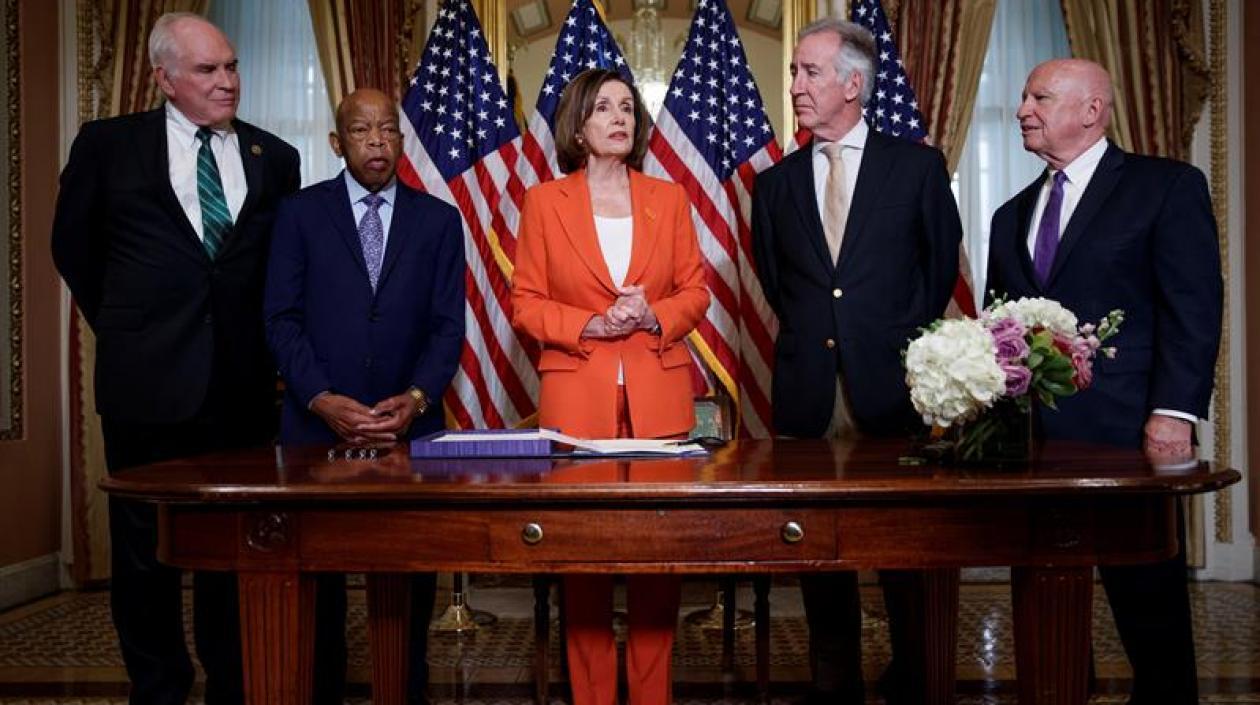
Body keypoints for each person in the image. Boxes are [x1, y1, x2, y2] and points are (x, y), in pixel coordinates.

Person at [50, 12, 299, 705]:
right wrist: (133, 330)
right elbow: (74, 249)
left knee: (231, 549)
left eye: (232, 66)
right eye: (208, 70)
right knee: (143, 553)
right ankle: (158, 686)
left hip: (241, 387)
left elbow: (274, 271)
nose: (228, 82)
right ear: (163, 77)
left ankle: (232, 684)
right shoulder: (107, 146)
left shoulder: (273, 157)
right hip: (145, 384)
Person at [986, 58, 1221, 704]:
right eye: (1024, 97)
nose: (1023, 110)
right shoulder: (1009, 215)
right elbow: (998, 330)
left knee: (1149, 608)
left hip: (1129, 439)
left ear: (1092, 110)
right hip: (1031, 449)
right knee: (1045, 600)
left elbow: (1193, 308)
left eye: (1039, 96)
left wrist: (1174, 412)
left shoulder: (1166, 188)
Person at [750, 17, 962, 705]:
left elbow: (936, 273)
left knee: (906, 547)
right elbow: (780, 283)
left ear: (852, 83)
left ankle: (914, 674)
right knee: (815, 544)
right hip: (810, 393)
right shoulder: (775, 185)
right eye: (795, 73)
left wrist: (893, 339)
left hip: (897, 389)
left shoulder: (917, 167)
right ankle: (832, 677)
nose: (796, 85)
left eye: (809, 72)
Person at [510, 68, 709, 705]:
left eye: (627, 107)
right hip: (576, 399)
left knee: (659, 559)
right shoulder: (545, 201)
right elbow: (526, 304)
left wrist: (655, 314)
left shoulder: (669, 196)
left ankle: (653, 697)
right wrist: (590, 322)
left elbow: (695, 291)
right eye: (604, 108)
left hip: (659, 396)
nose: (619, 118)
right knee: (583, 561)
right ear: (579, 123)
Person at [264, 87, 465, 705]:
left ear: (401, 143)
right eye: (361, 131)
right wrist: (321, 398)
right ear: (337, 142)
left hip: (408, 433)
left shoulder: (437, 220)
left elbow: (446, 326)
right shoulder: (299, 214)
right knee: (317, 580)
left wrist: (417, 398)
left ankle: (406, 688)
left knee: (406, 574)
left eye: (388, 131)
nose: (377, 142)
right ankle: (319, 689)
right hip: (315, 430)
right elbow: (281, 318)